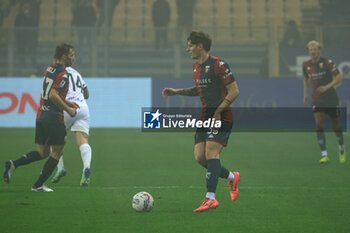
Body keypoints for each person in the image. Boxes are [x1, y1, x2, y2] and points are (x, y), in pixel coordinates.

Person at [162, 31, 240, 212]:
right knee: (200, 157)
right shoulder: (196, 67)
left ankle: (210, 198)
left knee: (212, 153)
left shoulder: (218, 64)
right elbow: (199, 90)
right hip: (206, 115)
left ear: (200, 46)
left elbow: (234, 91)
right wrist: (176, 91)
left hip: (222, 115)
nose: (187, 49)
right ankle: (231, 177)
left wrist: (219, 111)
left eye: (190, 45)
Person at [3, 43, 79, 192]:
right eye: (71, 55)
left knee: (43, 153)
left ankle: (14, 164)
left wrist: (68, 101)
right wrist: (69, 109)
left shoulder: (49, 69)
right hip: (54, 118)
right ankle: (37, 185)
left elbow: (51, 92)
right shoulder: (63, 74)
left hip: (41, 116)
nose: (73, 58)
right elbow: (53, 94)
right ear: (64, 56)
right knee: (57, 153)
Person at [303, 40, 346, 164]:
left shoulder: (327, 62)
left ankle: (341, 147)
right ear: (309, 52)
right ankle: (324, 154)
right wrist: (305, 94)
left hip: (331, 98)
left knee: (335, 126)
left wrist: (327, 87)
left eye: (315, 49)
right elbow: (305, 79)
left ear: (319, 50)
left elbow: (339, 77)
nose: (313, 52)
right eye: (311, 50)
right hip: (317, 99)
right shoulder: (306, 65)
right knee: (319, 125)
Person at [51, 66, 92, 186]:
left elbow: (53, 93)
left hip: (67, 107)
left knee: (54, 139)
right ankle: (86, 166)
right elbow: (87, 93)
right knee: (83, 141)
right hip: (83, 108)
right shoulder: (77, 72)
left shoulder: (58, 72)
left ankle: (60, 168)